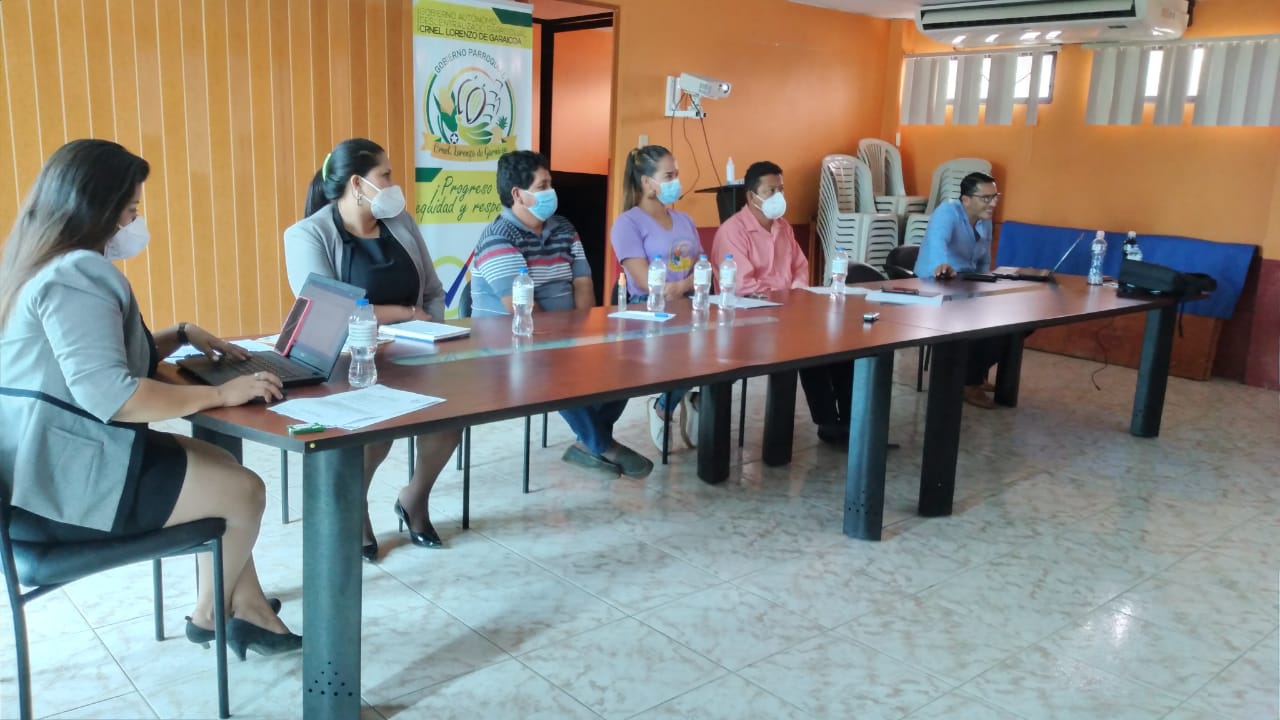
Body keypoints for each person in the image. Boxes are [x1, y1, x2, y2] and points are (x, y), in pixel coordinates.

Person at [0, 139, 300, 660]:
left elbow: (93, 358)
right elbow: (114, 396)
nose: (135, 221)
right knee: (245, 492)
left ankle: (249, 608)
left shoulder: (36, 263)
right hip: (60, 489)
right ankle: (210, 615)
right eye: (131, 208)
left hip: (36, 468)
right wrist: (220, 392)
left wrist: (180, 334)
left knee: (221, 465)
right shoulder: (78, 273)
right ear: (96, 206)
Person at [283, 138, 462, 559]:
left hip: (414, 352)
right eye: (386, 175)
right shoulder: (307, 234)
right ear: (357, 184)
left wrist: (428, 330)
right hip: (346, 360)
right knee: (377, 436)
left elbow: (433, 292)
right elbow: (331, 310)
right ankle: (356, 506)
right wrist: (404, 313)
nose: (393, 184)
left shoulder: (400, 222)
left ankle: (414, 498)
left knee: (449, 420)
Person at [471, 150, 653, 479]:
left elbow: (583, 283)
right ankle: (601, 444)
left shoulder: (564, 228)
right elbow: (523, 308)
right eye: (542, 186)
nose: (551, 191)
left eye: (550, 183)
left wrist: (585, 334)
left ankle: (588, 442)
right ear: (517, 194)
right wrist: (565, 344)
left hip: (563, 333)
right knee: (555, 366)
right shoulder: (498, 238)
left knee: (630, 358)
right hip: (509, 343)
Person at [712, 160, 853, 446]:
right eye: (771, 190)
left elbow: (801, 266)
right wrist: (785, 299)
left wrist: (796, 294)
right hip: (750, 318)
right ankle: (828, 422)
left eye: (781, 189)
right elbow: (743, 285)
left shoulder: (783, 227)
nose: (778, 196)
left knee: (842, 343)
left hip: (789, 311)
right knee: (808, 347)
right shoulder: (732, 231)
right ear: (752, 196)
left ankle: (850, 422)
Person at [611, 145, 703, 452]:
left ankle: (694, 397)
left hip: (688, 301)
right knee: (687, 348)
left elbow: (702, 266)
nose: (676, 182)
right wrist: (676, 290)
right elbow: (642, 279)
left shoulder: (684, 219)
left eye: (676, 174)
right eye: (668, 176)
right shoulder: (628, 223)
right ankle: (664, 406)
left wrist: (685, 285)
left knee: (723, 346)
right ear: (647, 182)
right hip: (648, 309)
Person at [913, 171, 1006, 409]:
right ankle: (968, 382)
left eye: (995, 196)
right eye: (986, 198)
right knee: (976, 320)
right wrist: (942, 265)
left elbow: (983, 260)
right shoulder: (947, 212)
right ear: (966, 199)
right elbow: (938, 243)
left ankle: (974, 373)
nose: (993, 203)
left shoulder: (985, 221)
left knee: (1014, 322)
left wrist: (987, 283)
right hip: (935, 283)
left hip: (967, 283)